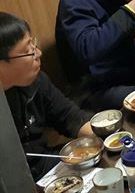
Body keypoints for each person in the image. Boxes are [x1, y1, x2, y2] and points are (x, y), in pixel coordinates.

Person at [1, 12, 94, 180]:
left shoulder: (35, 81)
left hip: (48, 165)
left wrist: (109, 136)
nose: (38, 53)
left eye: (33, 44)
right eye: (28, 50)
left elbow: (69, 117)